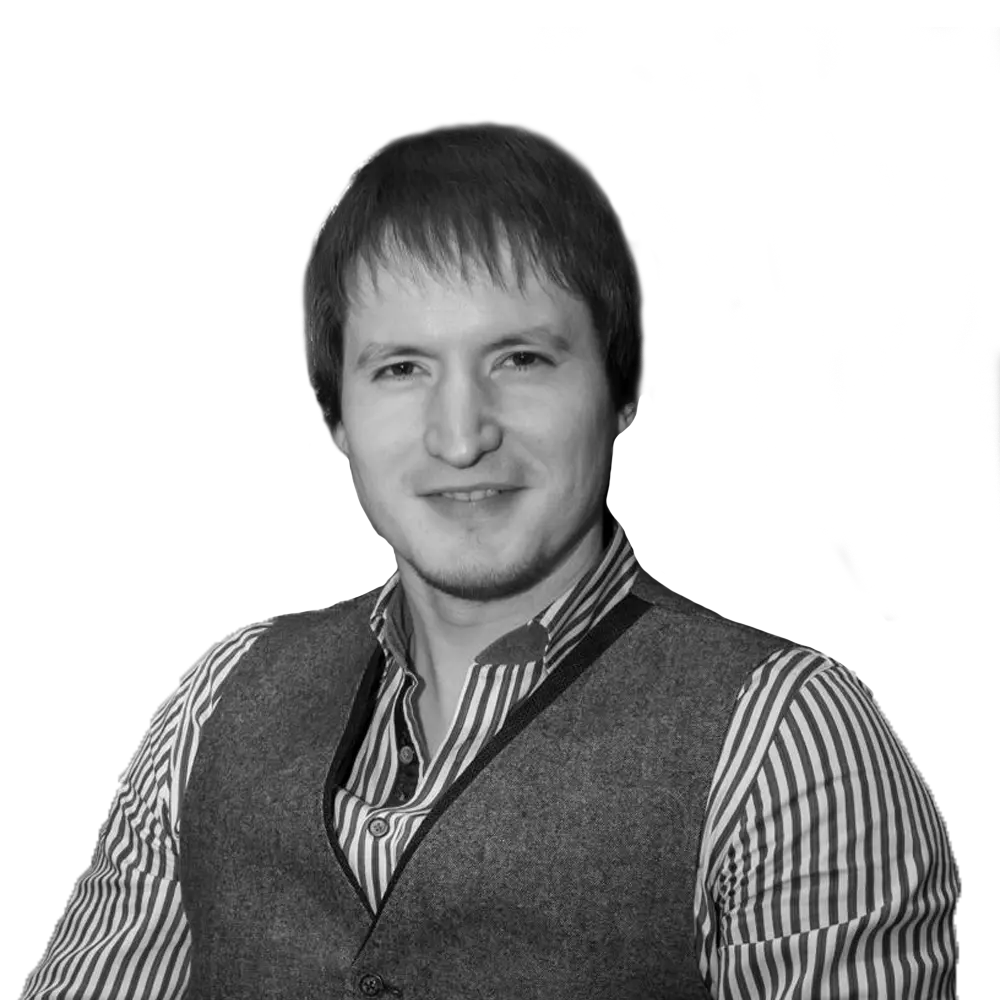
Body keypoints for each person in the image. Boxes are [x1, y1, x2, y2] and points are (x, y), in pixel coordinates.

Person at [18, 113, 959, 1000]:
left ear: (622, 395)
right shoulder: (217, 699)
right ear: (339, 426)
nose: (461, 436)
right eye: (402, 368)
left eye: (521, 360)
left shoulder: (790, 741)